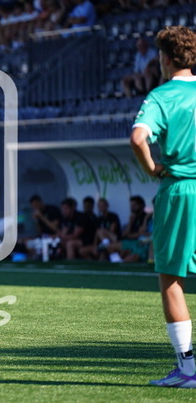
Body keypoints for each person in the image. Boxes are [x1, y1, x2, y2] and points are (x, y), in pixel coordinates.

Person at [130, 25, 196, 387]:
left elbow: (138, 138)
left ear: (165, 58)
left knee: (171, 279)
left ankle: (187, 369)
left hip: (181, 189)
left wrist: (153, 168)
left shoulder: (162, 96)